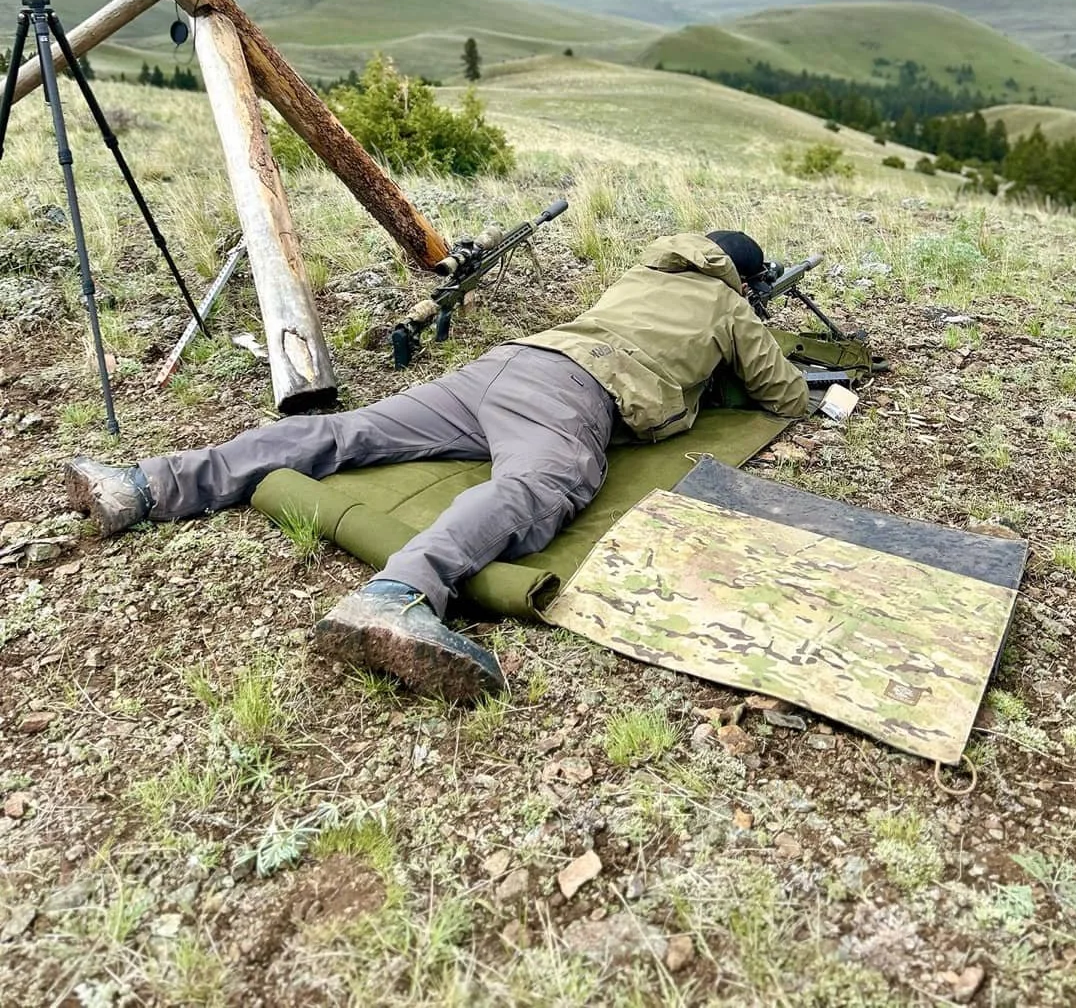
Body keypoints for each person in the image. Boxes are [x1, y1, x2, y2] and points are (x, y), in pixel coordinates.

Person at [66, 231, 809, 700]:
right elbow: (782, 394)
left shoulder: (641, 274)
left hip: (508, 364)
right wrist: (751, 328)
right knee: (541, 486)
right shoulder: (728, 306)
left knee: (344, 435)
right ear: (741, 280)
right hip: (573, 392)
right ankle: (399, 596)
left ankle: (145, 484)